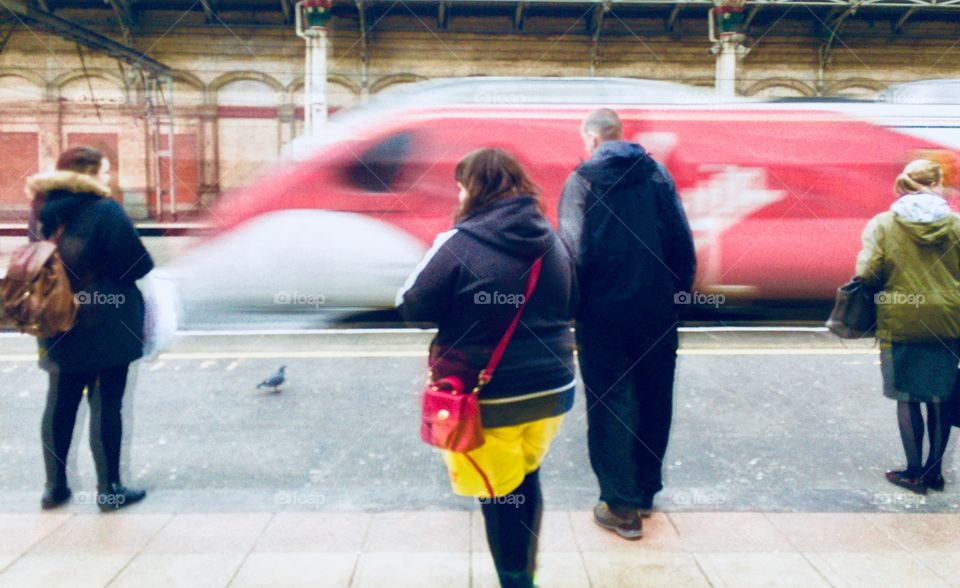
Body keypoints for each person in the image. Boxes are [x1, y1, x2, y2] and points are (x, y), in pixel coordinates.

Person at [397, 148, 577, 588]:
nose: (457, 194)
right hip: (554, 388)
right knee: (524, 479)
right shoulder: (552, 239)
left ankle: (517, 581)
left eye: (461, 185)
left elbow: (413, 307)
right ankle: (523, 573)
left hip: (489, 396)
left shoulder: (461, 242)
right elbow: (572, 301)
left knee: (501, 495)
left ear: (473, 189)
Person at [558, 108, 696, 539]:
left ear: (593, 140)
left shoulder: (582, 181)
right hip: (655, 311)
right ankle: (644, 492)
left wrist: (572, 307)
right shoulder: (657, 176)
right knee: (655, 396)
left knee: (610, 401)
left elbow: (571, 250)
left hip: (603, 314)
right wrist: (674, 296)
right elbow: (681, 241)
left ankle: (618, 505)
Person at [26, 146, 154, 511]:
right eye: (104, 171)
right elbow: (138, 265)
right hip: (106, 323)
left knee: (60, 402)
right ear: (88, 173)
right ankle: (109, 489)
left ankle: (55, 488)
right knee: (107, 404)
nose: (108, 178)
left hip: (57, 317)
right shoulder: (105, 211)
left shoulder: (41, 212)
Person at [856, 159, 960, 495]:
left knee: (908, 397)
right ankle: (934, 472)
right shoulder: (957, 225)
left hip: (901, 319)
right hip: (949, 321)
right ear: (937, 184)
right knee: (940, 396)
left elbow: (867, 275)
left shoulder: (884, 225)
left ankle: (914, 472)